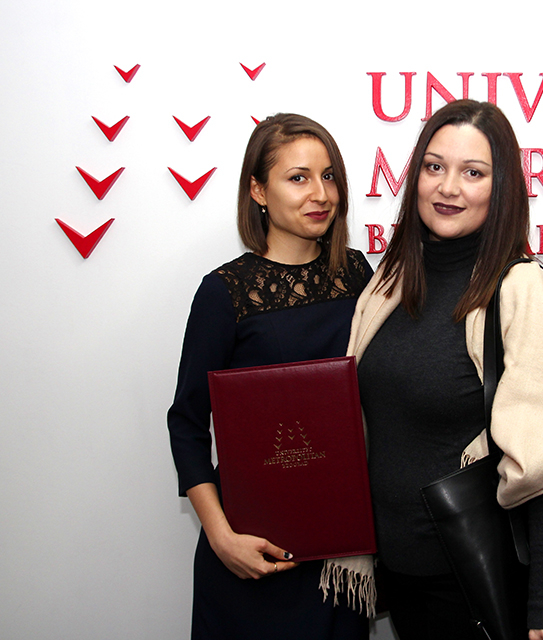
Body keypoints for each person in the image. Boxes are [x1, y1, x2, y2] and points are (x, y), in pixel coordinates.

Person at [348, 100, 543, 640]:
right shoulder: (389, 284)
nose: (448, 187)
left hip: (473, 581)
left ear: (500, 188)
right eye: (434, 166)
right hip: (400, 575)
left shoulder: (519, 289)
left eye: (473, 173)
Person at [167, 113, 374, 640]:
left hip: (341, 552)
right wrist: (222, 538)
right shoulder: (224, 292)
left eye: (328, 176)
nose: (320, 194)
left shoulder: (357, 273)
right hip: (251, 550)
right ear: (258, 191)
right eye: (298, 178)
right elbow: (186, 424)